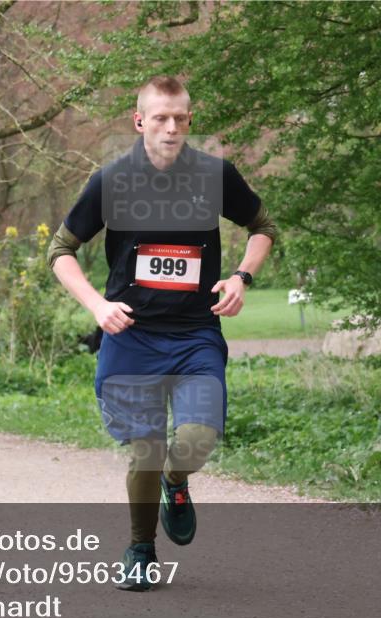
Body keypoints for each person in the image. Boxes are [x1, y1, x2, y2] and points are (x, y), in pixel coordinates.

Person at [49, 76, 277, 590]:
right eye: (159, 118)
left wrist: (242, 277)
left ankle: (177, 484)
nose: (170, 127)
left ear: (189, 121)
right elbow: (59, 251)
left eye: (179, 118)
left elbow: (263, 226)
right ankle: (140, 549)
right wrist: (97, 305)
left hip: (195, 332)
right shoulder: (111, 181)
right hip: (131, 336)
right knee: (145, 449)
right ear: (140, 121)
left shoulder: (215, 176)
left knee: (195, 440)